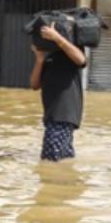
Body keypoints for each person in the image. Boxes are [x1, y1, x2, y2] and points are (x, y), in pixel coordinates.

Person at [29, 21, 88, 162]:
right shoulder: (49, 57)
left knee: (50, 161)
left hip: (62, 116)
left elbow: (81, 60)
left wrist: (57, 38)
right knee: (63, 160)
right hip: (53, 117)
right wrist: (39, 59)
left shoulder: (70, 53)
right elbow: (34, 85)